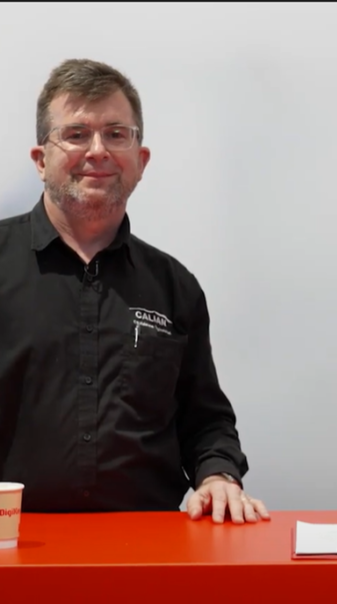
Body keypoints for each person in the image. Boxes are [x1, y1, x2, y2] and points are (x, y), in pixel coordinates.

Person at [0, 58, 269, 524]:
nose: (98, 150)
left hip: (148, 549)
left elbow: (205, 421)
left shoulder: (174, 286)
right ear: (41, 160)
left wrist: (218, 476)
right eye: (76, 134)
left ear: (141, 161)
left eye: (116, 134)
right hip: (12, 544)